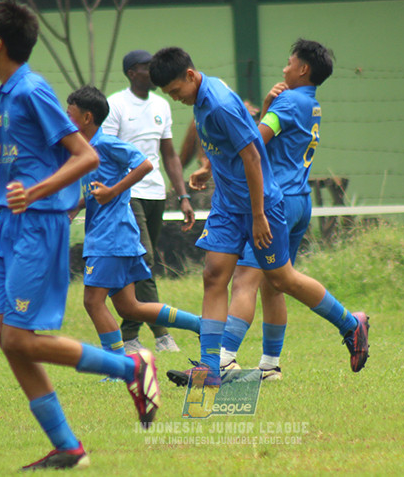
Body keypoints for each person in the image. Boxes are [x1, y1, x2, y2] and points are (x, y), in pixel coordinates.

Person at [0, 0, 159, 472]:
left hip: (39, 224)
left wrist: (34, 192)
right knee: (6, 335)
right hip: (11, 225)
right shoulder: (6, 94)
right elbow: (3, 168)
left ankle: (132, 367)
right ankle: (68, 448)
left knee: (20, 336)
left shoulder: (32, 90)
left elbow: (84, 157)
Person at [148, 46, 369, 386]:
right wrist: (209, 169)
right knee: (214, 275)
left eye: (176, 92)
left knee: (280, 280)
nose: (176, 99)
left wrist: (258, 216)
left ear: (190, 76)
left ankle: (351, 325)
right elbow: (233, 147)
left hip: (260, 204)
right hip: (228, 203)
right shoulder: (203, 100)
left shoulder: (222, 104)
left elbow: (252, 154)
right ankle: (212, 368)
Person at [218, 40, 335, 382]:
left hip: (276, 202)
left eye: (288, 63)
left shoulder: (288, 100)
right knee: (274, 285)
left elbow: (253, 143)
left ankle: (224, 360)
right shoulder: (311, 103)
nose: (283, 69)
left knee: (244, 279)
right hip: (300, 198)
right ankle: (270, 365)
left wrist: (267, 106)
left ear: (302, 70)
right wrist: (271, 104)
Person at [65, 85, 201, 365]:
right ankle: (201, 325)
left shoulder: (106, 143)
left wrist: (113, 191)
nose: (66, 118)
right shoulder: (86, 149)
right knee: (130, 306)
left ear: (87, 118)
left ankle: (117, 365)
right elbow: (96, 188)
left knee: (92, 301)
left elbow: (145, 164)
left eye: (70, 114)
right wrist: (79, 204)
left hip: (110, 236)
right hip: (116, 235)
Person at [103, 50, 196, 354]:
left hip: (156, 193)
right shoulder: (115, 105)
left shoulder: (162, 105)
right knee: (146, 262)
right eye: (146, 68)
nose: (153, 74)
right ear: (132, 72)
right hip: (128, 193)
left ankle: (128, 335)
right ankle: (162, 335)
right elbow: (106, 151)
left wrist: (182, 196)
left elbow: (168, 154)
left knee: (140, 265)